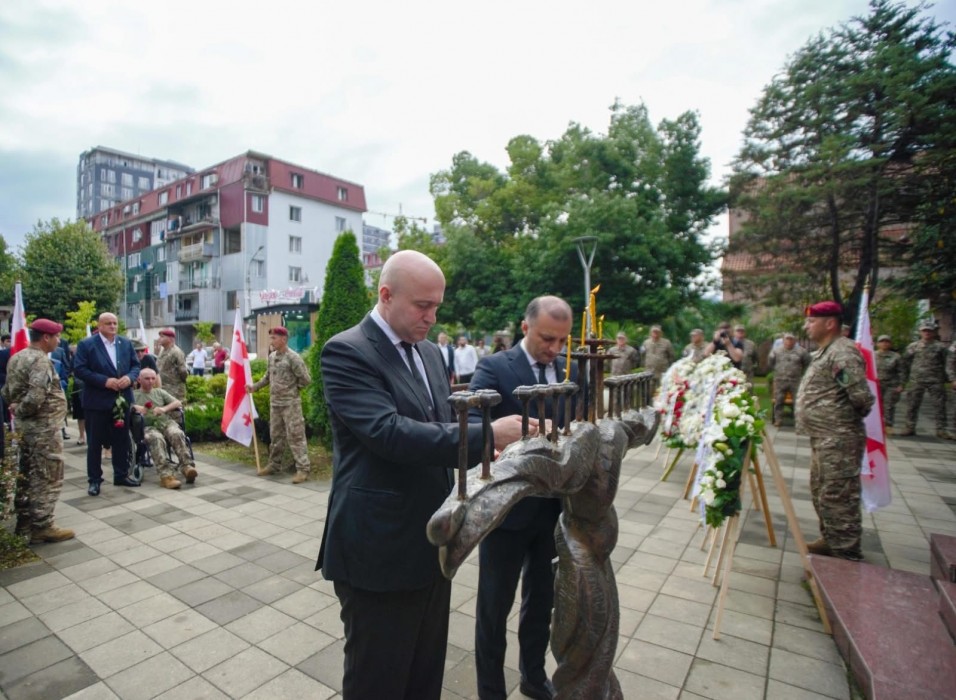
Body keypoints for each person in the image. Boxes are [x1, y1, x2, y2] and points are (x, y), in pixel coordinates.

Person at [316, 250, 525, 700]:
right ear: (385, 295)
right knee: (379, 680)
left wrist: (500, 439)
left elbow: (439, 423)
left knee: (424, 675)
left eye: (437, 306)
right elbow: (389, 433)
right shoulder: (346, 350)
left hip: (431, 540)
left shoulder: (429, 352)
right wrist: (487, 436)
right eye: (422, 306)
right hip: (378, 546)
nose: (432, 317)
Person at [469, 295, 576, 700]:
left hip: (554, 510)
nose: (555, 349)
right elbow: (473, 419)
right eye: (548, 338)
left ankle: (533, 677)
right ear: (525, 326)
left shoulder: (567, 370)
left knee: (542, 602)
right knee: (494, 609)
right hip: (507, 511)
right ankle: (490, 691)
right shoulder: (495, 367)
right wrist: (500, 429)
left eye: (562, 340)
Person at [795, 301, 874, 560]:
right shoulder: (827, 352)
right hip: (824, 436)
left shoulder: (843, 352)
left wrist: (838, 423)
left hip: (838, 439)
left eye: (811, 321)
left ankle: (847, 557)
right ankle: (831, 540)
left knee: (838, 495)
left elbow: (861, 398)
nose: (806, 325)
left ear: (830, 323)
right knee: (822, 492)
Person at [1, 319, 74, 543]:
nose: (58, 341)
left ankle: (24, 523)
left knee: (27, 472)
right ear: (46, 337)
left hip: (26, 429)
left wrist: (15, 407)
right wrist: (22, 410)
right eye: (56, 337)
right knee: (48, 474)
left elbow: (6, 391)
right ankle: (43, 525)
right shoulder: (40, 360)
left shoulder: (17, 357)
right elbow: (35, 397)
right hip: (42, 429)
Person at [73, 312, 141, 496]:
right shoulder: (87, 345)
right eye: (108, 323)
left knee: (121, 440)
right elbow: (79, 369)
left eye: (115, 323)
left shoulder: (125, 343)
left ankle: (121, 474)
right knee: (95, 443)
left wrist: (129, 377)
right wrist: (104, 381)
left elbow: (136, 365)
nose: (112, 326)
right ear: (100, 326)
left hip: (121, 400)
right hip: (97, 401)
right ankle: (94, 480)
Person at [248, 326, 312, 484]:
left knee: (296, 436)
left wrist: (292, 390)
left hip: (291, 404)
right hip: (275, 404)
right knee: (275, 436)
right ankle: (274, 465)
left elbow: (306, 379)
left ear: (284, 339)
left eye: (274, 338)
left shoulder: (293, 358)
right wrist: (254, 387)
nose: (272, 341)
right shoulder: (272, 357)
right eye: (271, 338)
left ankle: (303, 469)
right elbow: (267, 377)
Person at [132, 368, 198, 489]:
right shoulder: (134, 395)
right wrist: (137, 408)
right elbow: (126, 406)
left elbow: (177, 403)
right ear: (139, 379)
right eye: (147, 378)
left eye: (153, 378)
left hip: (165, 423)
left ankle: (187, 467)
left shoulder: (159, 392)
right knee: (156, 438)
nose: (150, 381)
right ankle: (166, 476)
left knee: (176, 433)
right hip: (148, 427)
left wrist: (163, 409)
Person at [898, 321, 950, 438]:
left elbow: (948, 363)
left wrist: (949, 379)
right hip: (917, 379)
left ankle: (941, 430)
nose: (927, 333)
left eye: (929, 331)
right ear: (920, 332)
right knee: (912, 404)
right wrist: (903, 380)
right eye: (924, 331)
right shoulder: (913, 346)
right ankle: (909, 427)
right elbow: (904, 363)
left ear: (934, 332)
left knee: (940, 405)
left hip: (936, 380)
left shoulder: (940, 347)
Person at [768, 332, 810, 427]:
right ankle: (778, 419)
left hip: (795, 381)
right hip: (780, 380)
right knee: (778, 401)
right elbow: (771, 363)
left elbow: (807, 363)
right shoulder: (776, 351)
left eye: (791, 339)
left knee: (798, 401)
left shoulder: (801, 351)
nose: (789, 341)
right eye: (787, 339)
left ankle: (799, 421)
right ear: (783, 340)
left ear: (795, 340)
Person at [875, 334, 904, 430]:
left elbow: (901, 371)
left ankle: (888, 426)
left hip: (891, 385)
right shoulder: (872, 355)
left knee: (889, 406)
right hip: (876, 385)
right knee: (874, 406)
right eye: (882, 341)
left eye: (887, 342)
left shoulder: (896, 356)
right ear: (877, 344)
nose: (884, 343)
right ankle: (874, 428)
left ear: (890, 344)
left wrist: (901, 384)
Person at [156, 328, 188, 401]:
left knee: (176, 410)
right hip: (163, 388)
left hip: (174, 390)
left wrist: (180, 383)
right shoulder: (163, 351)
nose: (159, 339)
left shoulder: (176, 352)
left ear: (170, 339)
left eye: (162, 337)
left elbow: (183, 371)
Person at [69, 344, 87, 445]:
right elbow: (72, 370)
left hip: (95, 386)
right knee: (80, 414)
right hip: (79, 385)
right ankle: (81, 435)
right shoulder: (78, 355)